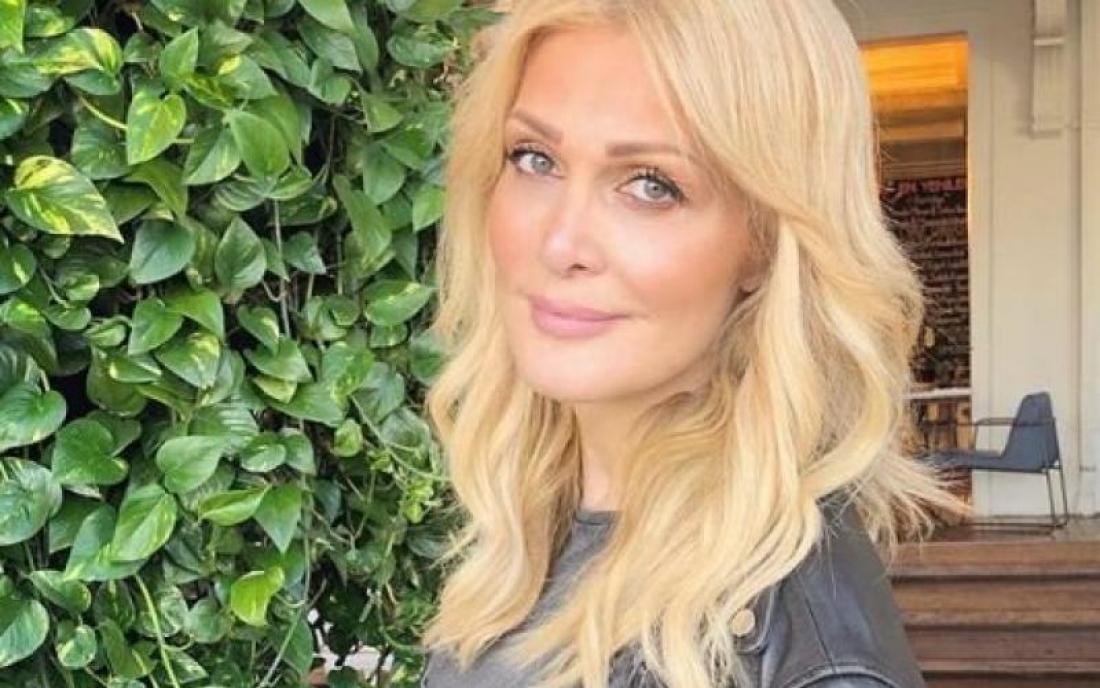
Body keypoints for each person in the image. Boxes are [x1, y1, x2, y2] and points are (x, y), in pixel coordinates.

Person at [417, 1, 967, 686]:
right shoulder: (537, 518)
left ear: (765, 243)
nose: (559, 243)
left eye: (651, 185)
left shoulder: (804, 650)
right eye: (535, 158)